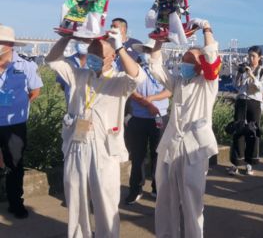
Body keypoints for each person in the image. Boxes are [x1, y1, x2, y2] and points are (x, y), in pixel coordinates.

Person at [46, 28, 146, 238]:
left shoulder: (119, 80)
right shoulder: (79, 75)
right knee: (76, 202)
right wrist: (67, 36)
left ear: (111, 57)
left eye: (97, 55)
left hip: (104, 149)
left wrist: (119, 46)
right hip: (76, 143)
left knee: (106, 204)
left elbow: (137, 77)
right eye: (90, 54)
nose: (92, 59)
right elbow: (53, 60)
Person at [150, 18, 220, 238]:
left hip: (194, 149)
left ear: (200, 66)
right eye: (183, 59)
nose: (184, 64)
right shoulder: (179, 81)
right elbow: (155, 67)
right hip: (171, 144)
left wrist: (207, 28)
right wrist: (160, 40)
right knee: (164, 197)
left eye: (190, 60)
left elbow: (211, 57)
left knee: (192, 201)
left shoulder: (208, 83)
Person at [0, 25, 43, 218]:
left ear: (9, 44)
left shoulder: (26, 65)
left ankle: (15, 203)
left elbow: (35, 91)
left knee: (15, 165)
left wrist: (18, 105)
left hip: (14, 125)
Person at [125, 39, 170, 204]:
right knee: (137, 156)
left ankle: (158, 189)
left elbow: (169, 90)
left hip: (160, 118)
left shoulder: (164, 70)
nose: (146, 53)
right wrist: (147, 103)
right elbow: (130, 89)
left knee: (159, 155)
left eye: (149, 50)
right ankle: (136, 188)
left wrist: (152, 99)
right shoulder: (136, 70)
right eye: (144, 49)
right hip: (138, 117)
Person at [228, 46, 263, 175]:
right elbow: (236, 85)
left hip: (254, 102)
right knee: (238, 131)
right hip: (241, 101)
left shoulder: (262, 72)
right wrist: (240, 73)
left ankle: (250, 163)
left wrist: (251, 75)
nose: (250, 58)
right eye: (249, 55)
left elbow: (261, 89)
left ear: (259, 58)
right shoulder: (244, 69)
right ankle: (236, 164)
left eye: (253, 56)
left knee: (252, 132)